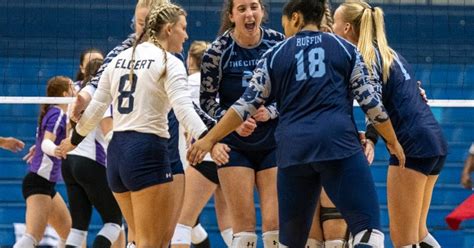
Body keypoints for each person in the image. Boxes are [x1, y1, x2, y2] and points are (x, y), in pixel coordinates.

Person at [187, 0, 406, 247]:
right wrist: (392, 140)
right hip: (337, 145)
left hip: (292, 152)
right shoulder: (346, 49)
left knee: (290, 241)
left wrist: (208, 139)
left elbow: (243, 106)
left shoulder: (275, 53)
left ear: (295, 18)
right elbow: (372, 105)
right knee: (368, 231)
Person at [58, 3, 208, 247]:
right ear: (169, 29)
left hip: (117, 155)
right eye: (183, 28)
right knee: (151, 242)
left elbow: (96, 108)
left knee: (139, 239)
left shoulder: (119, 59)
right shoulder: (169, 61)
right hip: (147, 150)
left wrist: (73, 140)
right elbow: (183, 110)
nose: (187, 34)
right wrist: (210, 138)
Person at [332, 1, 448, 247]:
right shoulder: (390, 53)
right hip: (433, 141)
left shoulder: (365, 57)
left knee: (403, 241)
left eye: (334, 22)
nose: (331, 27)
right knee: (418, 234)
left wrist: (372, 139)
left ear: (346, 28)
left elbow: (373, 103)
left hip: (412, 146)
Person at [198, 0, 284, 247]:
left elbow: (289, 92)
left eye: (254, 7)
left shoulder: (277, 44)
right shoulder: (216, 51)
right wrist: (231, 122)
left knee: (274, 223)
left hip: (272, 143)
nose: (249, 13)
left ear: (262, 12)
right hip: (234, 147)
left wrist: (271, 111)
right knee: (244, 227)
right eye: (242, 8)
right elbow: (206, 101)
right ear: (232, 15)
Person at [172, 41, 233, 248]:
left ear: (190, 60)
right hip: (228, 154)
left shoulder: (185, 83)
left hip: (203, 157)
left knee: (181, 222)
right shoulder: (223, 83)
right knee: (229, 226)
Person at [62, 57, 125, 248]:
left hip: (69, 163)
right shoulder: (101, 94)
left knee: (78, 228)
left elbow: (67, 132)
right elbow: (108, 134)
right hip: (90, 162)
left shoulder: (78, 94)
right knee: (113, 222)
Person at [14, 76, 74, 248]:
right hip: (38, 182)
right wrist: (54, 149)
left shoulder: (56, 113)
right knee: (32, 237)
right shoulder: (58, 113)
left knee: (69, 233)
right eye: (72, 88)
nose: (76, 92)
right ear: (65, 94)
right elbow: (48, 141)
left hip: (46, 184)